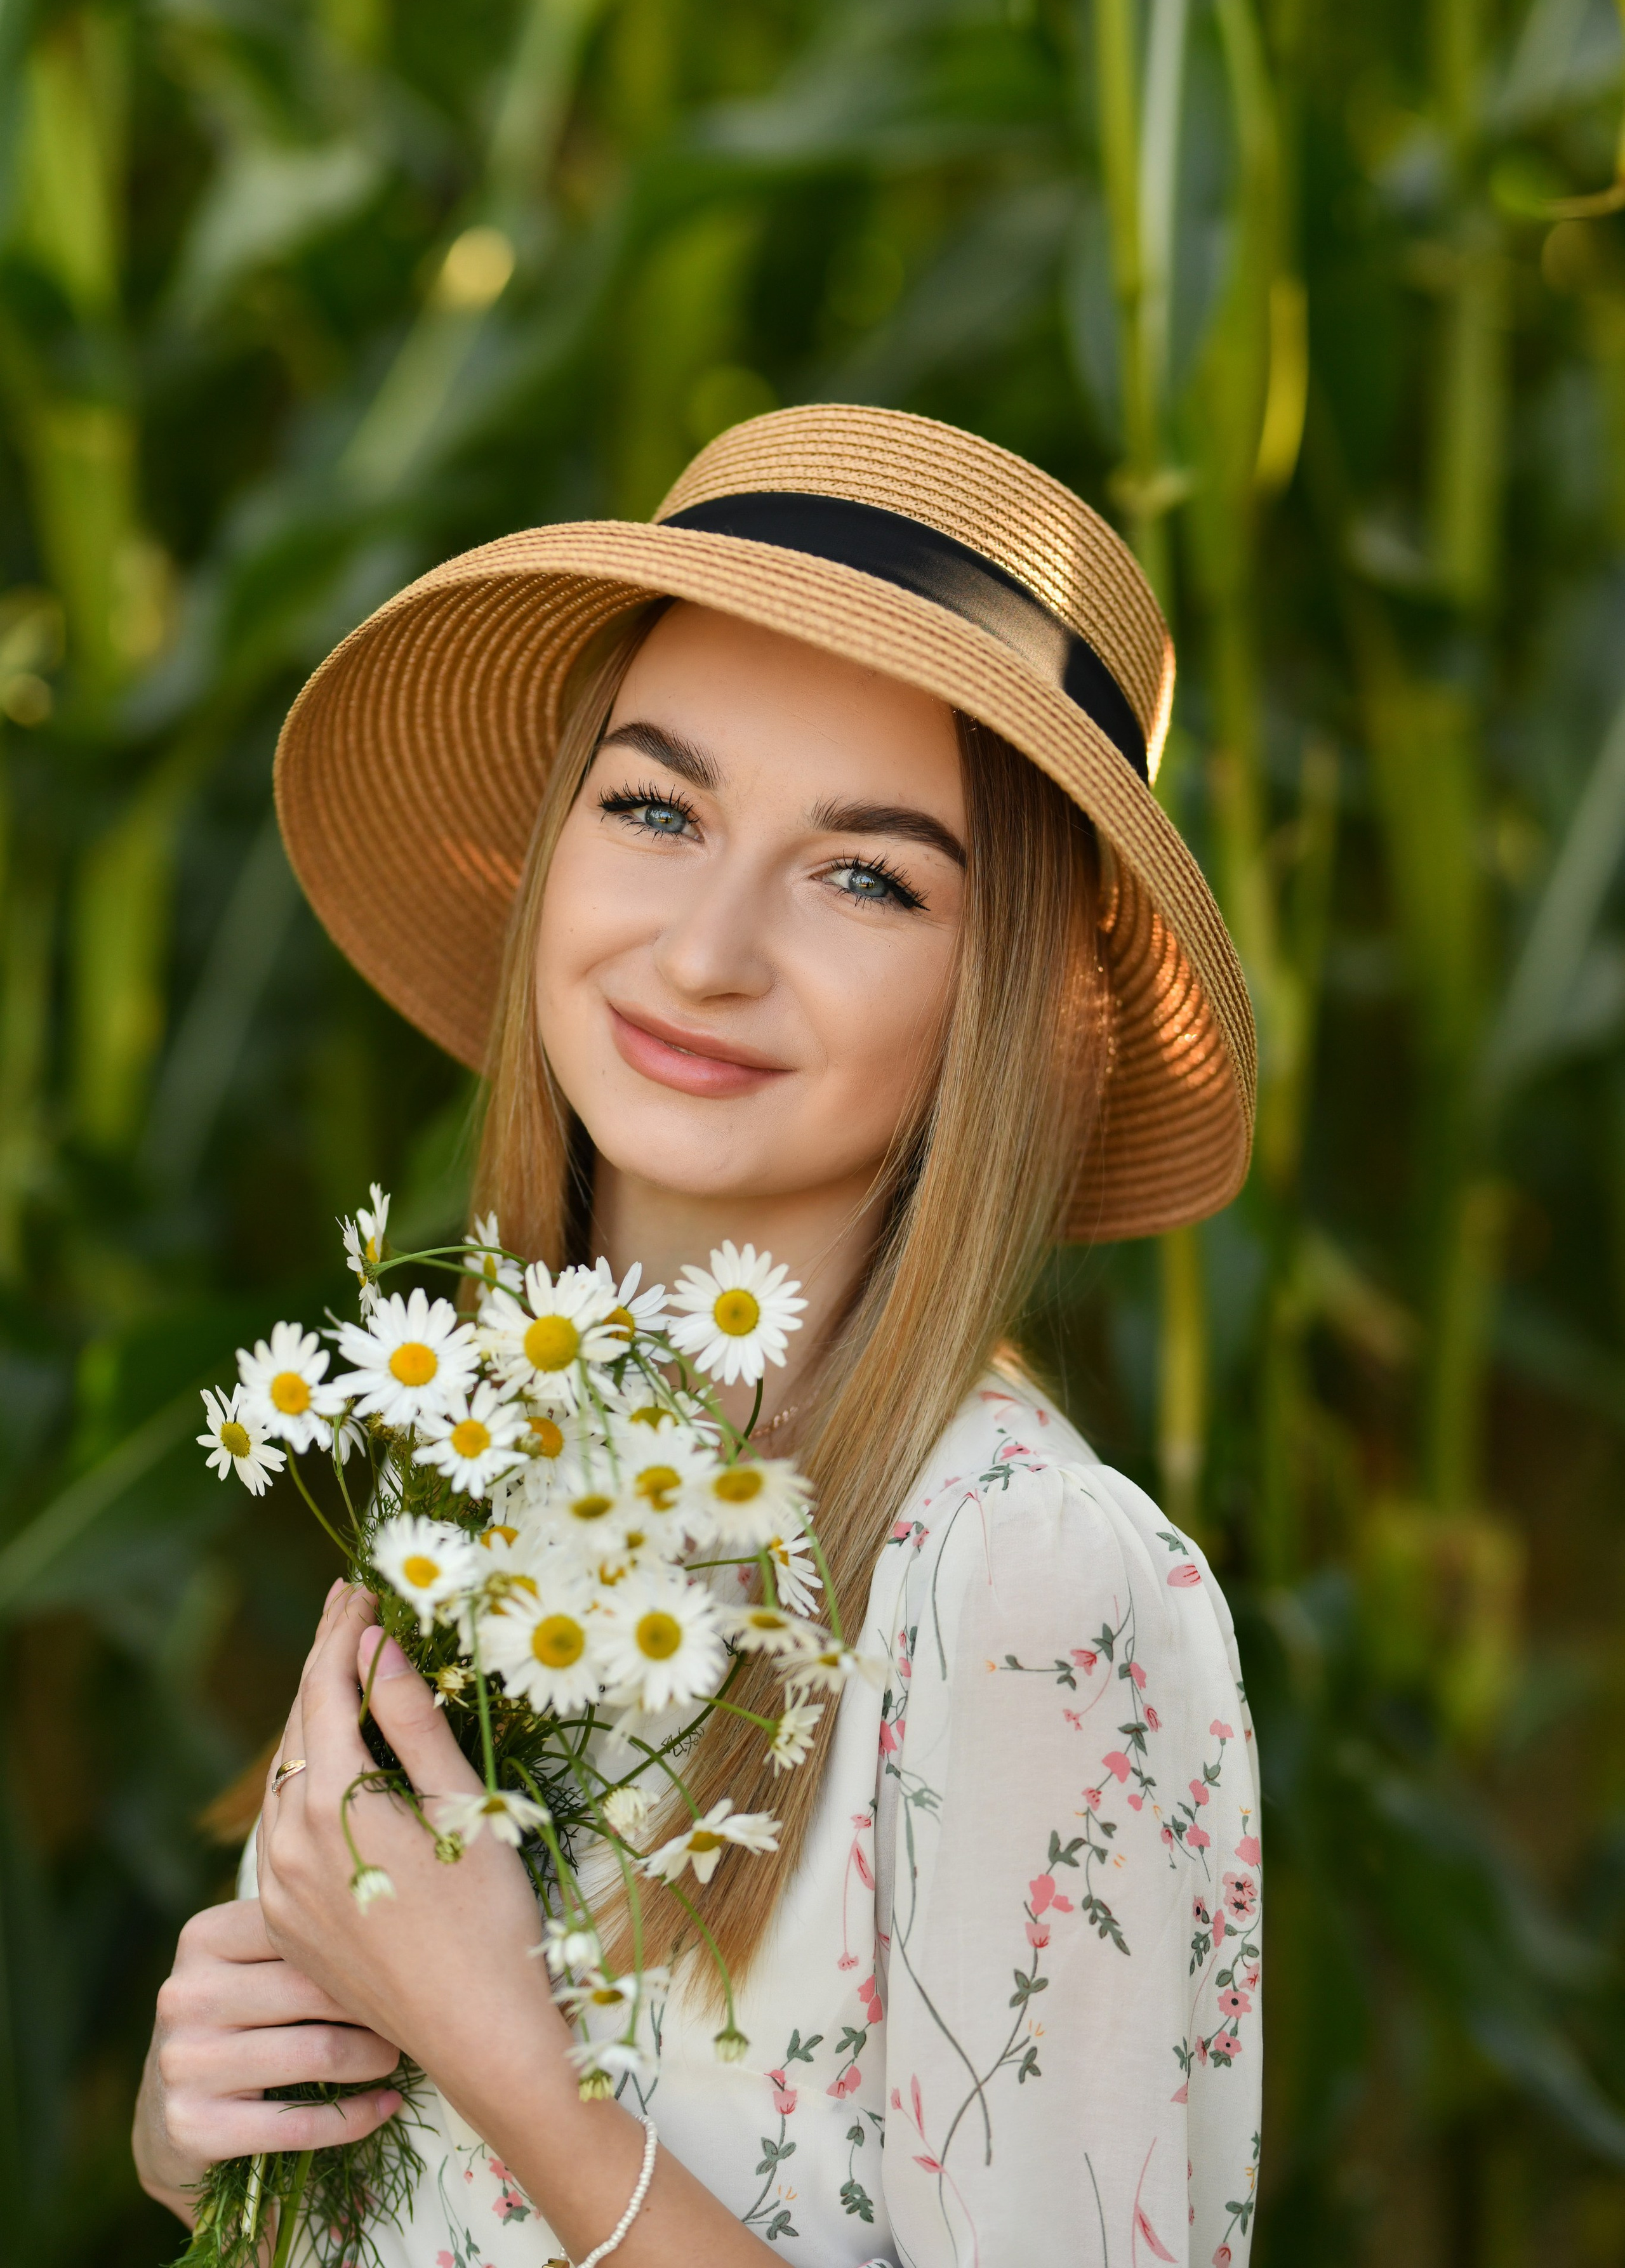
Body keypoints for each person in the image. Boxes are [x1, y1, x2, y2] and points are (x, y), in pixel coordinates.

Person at [133, 405, 1263, 2266]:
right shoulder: (492, 1463)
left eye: (867, 874)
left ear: (1015, 1004)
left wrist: (514, 2073)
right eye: (656, 808)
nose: (709, 951)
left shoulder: (1011, 1583)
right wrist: (223, 2132)